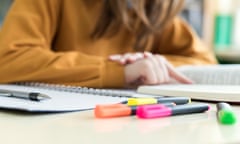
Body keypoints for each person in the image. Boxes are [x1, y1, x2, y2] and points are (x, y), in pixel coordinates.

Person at [0, 0, 217, 88]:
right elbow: (8, 58)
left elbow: (207, 63)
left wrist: (149, 65)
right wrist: (119, 71)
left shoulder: (154, 9)